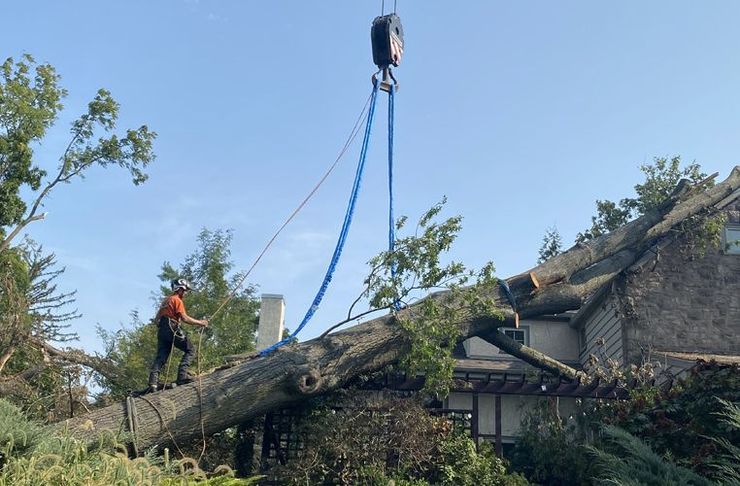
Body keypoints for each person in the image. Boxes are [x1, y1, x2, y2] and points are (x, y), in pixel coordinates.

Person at [147, 278, 209, 392]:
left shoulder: (166, 300)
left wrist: (162, 326)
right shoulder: (177, 300)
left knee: (161, 356)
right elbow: (184, 318)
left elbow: (157, 319)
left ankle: (153, 383)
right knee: (191, 349)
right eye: (185, 291)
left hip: (162, 330)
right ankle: (182, 376)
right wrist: (201, 323)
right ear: (179, 289)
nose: (186, 293)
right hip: (172, 326)